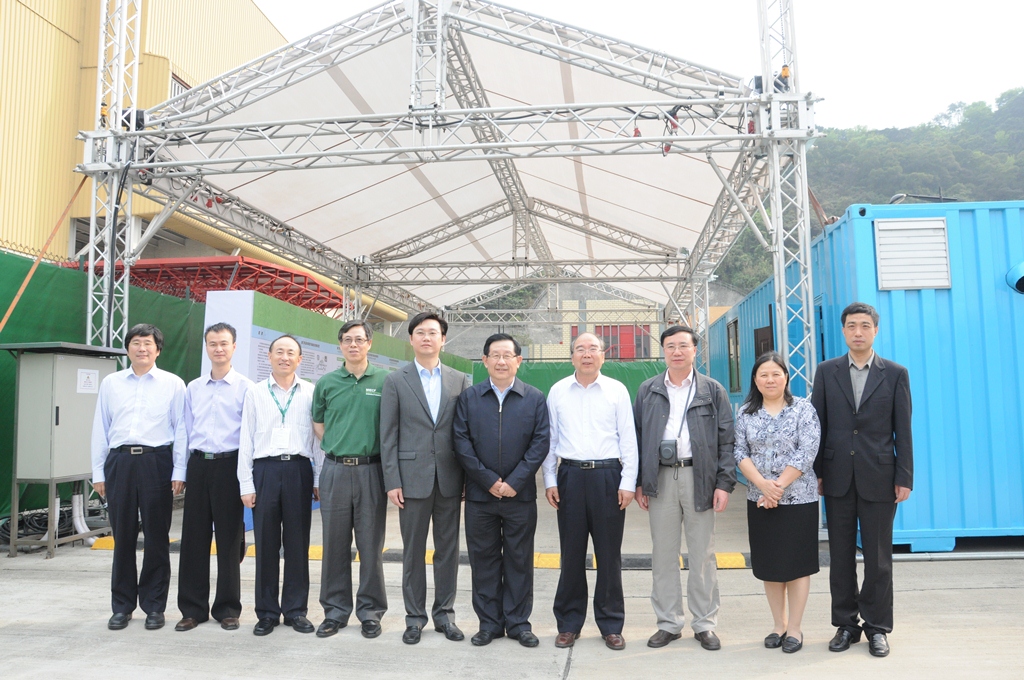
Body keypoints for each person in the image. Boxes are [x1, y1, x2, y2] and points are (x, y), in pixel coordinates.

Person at [812, 301, 913, 658]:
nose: (858, 332)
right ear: (843, 331)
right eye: (852, 326)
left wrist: (904, 476)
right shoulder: (827, 371)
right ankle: (845, 625)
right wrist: (817, 472)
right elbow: (818, 425)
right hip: (836, 477)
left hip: (880, 477)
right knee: (840, 557)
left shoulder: (895, 373)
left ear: (875, 330)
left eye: (865, 326)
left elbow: (903, 429)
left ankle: (877, 627)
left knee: (878, 558)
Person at [633, 325, 735, 651]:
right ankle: (668, 623)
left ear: (694, 350)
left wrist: (724, 483)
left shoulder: (712, 390)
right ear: (663, 351)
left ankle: (704, 624)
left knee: (702, 554)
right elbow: (637, 438)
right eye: (670, 346)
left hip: (699, 476)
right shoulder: (648, 390)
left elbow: (727, 441)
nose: (676, 352)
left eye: (683, 346)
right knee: (663, 554)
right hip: (661, 477)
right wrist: (640, 481)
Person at [542, 332, 638, 651]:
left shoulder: (617, 390)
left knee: (609, 555)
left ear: (603, 355)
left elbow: (628, 439)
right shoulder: (558, 391)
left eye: (593, 349)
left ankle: (611, 624)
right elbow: (550, 439)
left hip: (608, 476)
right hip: (569, 476)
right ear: (571, 357)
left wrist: (627, 482)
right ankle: (569, 624)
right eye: (580, 349)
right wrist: (550, 479)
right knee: (571, 554)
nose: (586, 354)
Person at [453, 333, 550, 648]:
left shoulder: (534, 398)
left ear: (519, 361)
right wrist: (488, 481)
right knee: (484, 561)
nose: (501, 361)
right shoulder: (469, 398)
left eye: (508, 355)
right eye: (495, 355)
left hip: (519, 497)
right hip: (480, 497)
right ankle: (489, 624)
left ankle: (519, 623)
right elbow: (461, 443)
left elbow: (540, 443)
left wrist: (515, 482)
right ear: (484, 360)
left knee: (519, 560)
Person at [91, 323, 186, 631]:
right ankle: (122, 606)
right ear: (128, 348)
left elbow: (182, 429)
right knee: (123, 537)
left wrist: (179, 470)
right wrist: (98, 471)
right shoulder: (111, 383)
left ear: (158, 350)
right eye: (135, 342)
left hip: (156, 462)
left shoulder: (173, 384)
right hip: (119, 462)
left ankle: (154, 607)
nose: (141, 348)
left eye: (147, 343)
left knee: (157, 537)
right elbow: (100, 427)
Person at [381, 312, 468, 645]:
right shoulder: (396, 380)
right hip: (411, 479)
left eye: (433, 332)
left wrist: (466, 478)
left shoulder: (459, 380)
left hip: (449, 479)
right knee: (413, 552)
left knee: (448, 551)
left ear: (443, 339)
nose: (427, 338)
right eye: (420, 332)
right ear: (411, 339)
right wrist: (392, 480)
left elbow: (465, 433)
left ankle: (445, 616)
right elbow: (387, 434)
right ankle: (414, 618)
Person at [734, 351, 820, 654]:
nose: (770, 380)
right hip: (759, 499)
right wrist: (762, 486)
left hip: (799, 499)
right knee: (770, 564)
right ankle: (778, 625)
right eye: (763, 375)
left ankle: (795, 628)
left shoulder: (803, 409)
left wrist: (777, 487)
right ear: (755, 380)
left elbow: (807, 452)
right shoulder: (745, 413)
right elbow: (739, 451)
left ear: (786, 377)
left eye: (776, 374)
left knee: (797, 565)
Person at [238, 334, 322, 637]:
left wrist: (317, 479)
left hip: (299, 469)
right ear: (269, 356)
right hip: (265, 470)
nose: (285, 357)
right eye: (279, 352)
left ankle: (296, 611)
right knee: (266, 543)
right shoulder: (255, 392)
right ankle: (267, 613)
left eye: (291, 353)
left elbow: (317, 440)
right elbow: (245, 439)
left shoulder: (311, 392)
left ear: (299, 359)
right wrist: (246, 483)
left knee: (298, 544)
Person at [312, 320, 389, 640]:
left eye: (359, 339)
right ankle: (335, 611)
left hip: (372, 471)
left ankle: (370, 612)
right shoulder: (327, 382)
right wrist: (339, 445)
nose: (353, 345)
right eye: (347, 340)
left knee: (371, 546)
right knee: (334, 545)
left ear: (369, 343)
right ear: (340, 345)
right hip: (335, 470)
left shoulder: (386, 380)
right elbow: (318, 423)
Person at [175, 323, 254, 632]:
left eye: (224, 343)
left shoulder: (246, 388)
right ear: (206, 347)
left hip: (229, 466)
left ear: (234, 347)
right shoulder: (193, 388)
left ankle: (228, 608)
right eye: (212, 344)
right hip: (198, 465)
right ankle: (192, 609)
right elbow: (185, 430)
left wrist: (246, 478)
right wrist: (181, 471)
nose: (218, 349)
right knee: (193, 539)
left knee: (229, 540)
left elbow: (248, 437)